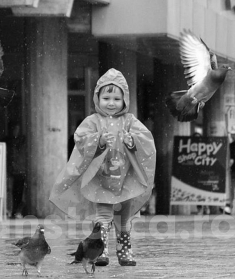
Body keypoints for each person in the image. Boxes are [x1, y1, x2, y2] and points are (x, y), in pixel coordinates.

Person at [50, 68, 156, 267]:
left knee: (123, 219)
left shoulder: (130, 121)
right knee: (103, 216)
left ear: (125, 100)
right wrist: (97, 141)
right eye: (106, 97)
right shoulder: (92, 122)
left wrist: (131, 141)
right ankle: (101, 250)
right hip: (99, 180)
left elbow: (146, 141)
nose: (111, 103)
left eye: (117, 98)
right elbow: (80, 140)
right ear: (97, 98)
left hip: (126, 180)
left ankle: (124, 252)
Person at [5, 124, 27, 219]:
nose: (15, 131)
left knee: (19, 192)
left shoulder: (22, 141)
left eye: (17, 129)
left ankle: (17, 210)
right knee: (9, 191)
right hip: (10, 169)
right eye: (13, 129)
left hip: (20, 170)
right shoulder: (7, 141)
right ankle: (10, 210)